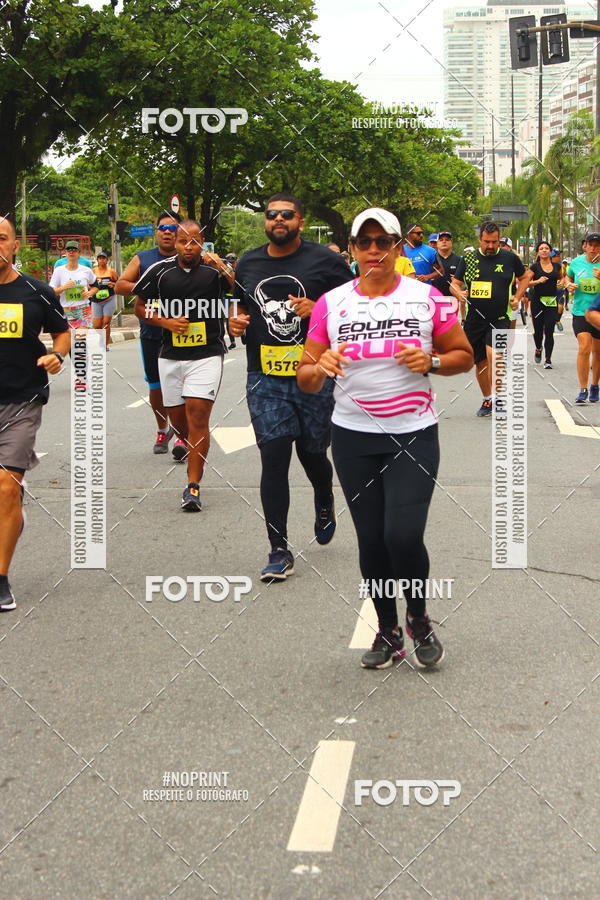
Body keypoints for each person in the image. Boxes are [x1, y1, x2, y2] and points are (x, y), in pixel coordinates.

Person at [297, 208, 473, 668]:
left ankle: (419, 617)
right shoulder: (330, 303)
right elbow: (305, 375)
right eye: (365, 242)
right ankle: (388, 630)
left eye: (385, 242)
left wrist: (431, 363)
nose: (374, 250)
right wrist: (320, 367)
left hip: (412, 434)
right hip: (353, 437)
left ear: (399, 247)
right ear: (352, 249)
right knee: (372, 541)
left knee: (403, 535)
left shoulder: (427, 297)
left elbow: (464, 356)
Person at [229, 193, 353, 582]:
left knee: (313, 452)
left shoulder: (327, 262)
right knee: (275, 455)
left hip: (314, 373)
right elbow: (241, 307)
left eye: (287, 215)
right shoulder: (248, 262)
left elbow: (354, 308)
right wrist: (236, 322)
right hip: (264, 375)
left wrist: (317, 307)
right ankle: (279, 548)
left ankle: (323, 496)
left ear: (300, 220)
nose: (278, 220)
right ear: (265, 221)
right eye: (272, 215)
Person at [133, 219, 230, 510]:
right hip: (170, 356)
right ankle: (186, 445)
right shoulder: (160, 272)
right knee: (179, 422)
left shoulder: (214, 270)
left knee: (198, 417)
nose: (189, 247)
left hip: (207, 354)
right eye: (183, 241)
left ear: (203, 243)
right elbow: (139, 305)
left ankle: (193, 487)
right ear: (175, 243)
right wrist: (165, 321)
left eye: (195, 241)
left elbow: (242, 290)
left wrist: (222, 266)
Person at [0, 217, 70, 611]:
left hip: (20, 402)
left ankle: (1, 578)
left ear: (14, 246)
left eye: (2, 238)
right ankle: (11, 516)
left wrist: (57, 354)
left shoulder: (36, 292)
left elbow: (62, 331)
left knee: (7, 486)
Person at [115, 212, 181, 456]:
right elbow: (120, 285)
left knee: (181, 385)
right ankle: (163, 429)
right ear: (156, 232)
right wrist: (147, 287)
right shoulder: (144, 258)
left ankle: (182, 434)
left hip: (182, 332)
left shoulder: (187, 257)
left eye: (173, 229)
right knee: (156, 386)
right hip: (152, 332)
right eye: (162, 227)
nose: (167, 232)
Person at [452, 222, 529, 417]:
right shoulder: (468, 258)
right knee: (480, 362)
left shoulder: (510, 258)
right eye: (487, 242)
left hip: (500, 317)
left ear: (499, 239)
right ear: (480, 239)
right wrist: (459, 293)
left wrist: (517, 296)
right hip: (475, 318)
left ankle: (498, 396)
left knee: (495, 355)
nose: (490, 246)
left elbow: (525, 277)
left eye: (494, 242)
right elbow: (454, 283)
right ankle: (488, 399)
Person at [565, 232, 600, 403]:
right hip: (580, 312)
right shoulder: (576, 262)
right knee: (584, 347)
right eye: (590, 244)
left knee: (598, 352)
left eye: (597, 245)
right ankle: (583, 389)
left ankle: (595, 385)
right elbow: (567, 277)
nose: (593, 248)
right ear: (585, 245)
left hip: (598, 314)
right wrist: (569, 285)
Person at [522, 241, 563, 369]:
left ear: (550, 251)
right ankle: (538, 348)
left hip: (551, 301)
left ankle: (548, 360)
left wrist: (561, 283)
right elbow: (525, 283)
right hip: (537, 302)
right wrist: (538, 281)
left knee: (549, 330)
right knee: (538, 330)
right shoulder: (535, 267)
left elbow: (562, 277)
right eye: (541, 248)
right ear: (538, 252)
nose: (544, 250)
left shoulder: (557, 266)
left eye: (546, 248)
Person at [49, 240, 98, 328]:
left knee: (80, 338)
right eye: (68, 250)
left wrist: (90, 293)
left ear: (79, 253)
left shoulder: (86, 270)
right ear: (66, 253)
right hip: (66, 310)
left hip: (83, 309)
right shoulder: (58, 271)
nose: (71, 252)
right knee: (68, 340)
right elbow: (51, 292)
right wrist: (64, 287)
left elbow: (96, 286)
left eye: (74, 250)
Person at [92, 251, 118, 349]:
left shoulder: (111, 271)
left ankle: (105, 344)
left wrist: (113, 284)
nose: (102, 260)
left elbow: (119, 284)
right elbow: (88, 283)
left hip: (109, 299)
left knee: (106, 322)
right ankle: (101, 339)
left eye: (103, 258)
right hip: (96, 300)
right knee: (97, 325)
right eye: (100, 258)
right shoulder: (93, 271)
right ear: (97, 260)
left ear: (107, 260)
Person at [431, 231, 461, 296]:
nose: (444, 242)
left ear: (451, 242)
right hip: (433, 299)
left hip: (453, 299)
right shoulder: (431, 260)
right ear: (437, 243)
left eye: (447, 240)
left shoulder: (459, 260)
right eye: (441, 240)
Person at [551, 249, 566, 330]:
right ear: (553, 257)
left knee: (560, 307)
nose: (560, 257)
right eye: (558, 255)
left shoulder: (562, 266)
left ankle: (557, 320)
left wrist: (562, 282)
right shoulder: (547, 265)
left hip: (560, 291)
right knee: (550, 309)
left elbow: (565, 276)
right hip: (550, 292)